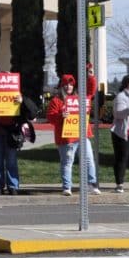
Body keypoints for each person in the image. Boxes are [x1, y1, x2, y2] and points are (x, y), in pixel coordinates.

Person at [46, 67, 102, 196]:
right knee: (67, 162)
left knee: (89, 160)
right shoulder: (56, 101)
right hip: (66, 138)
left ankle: (92, 184)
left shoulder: (80, 98)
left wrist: (90, 77)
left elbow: (91, 91)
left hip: (82, 135)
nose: (68, 87)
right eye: (66, 84)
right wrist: (61, 116)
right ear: (61, 86)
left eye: (71, 84)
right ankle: (67, 187)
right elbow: (50, 117)